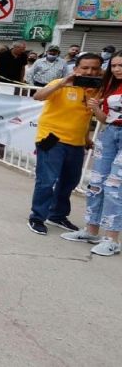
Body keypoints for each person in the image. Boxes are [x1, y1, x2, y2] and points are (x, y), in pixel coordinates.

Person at [27, 52, 102, 235]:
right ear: (76, 68)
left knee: (69, 181)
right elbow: (38, 96)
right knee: (47, 180)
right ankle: (37, 217)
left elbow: (84, 117)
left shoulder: (97, 90)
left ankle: (57, 215)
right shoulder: (60, 84)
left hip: (76, 143)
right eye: (85, 68)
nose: (90, 72)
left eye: (95, 68)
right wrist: (61, 84)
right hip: (52, 139)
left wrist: (86, 138)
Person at [62, 52, 122, 256]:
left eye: (120, 65)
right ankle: (91, 230)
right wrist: (95, 108)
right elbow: (106, 119)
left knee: (115, 186)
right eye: (113, 65)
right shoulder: (109, 86)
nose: (116, 69)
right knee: (96, 183)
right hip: (110, 134)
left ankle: (112, 239)